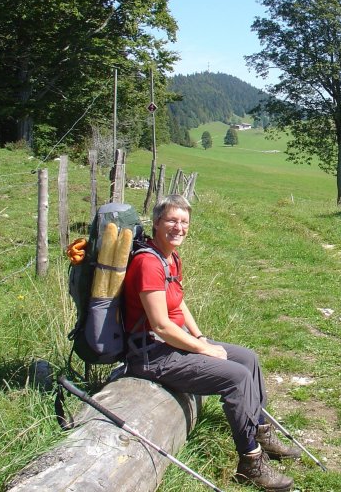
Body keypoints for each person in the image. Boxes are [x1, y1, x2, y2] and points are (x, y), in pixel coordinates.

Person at [123, 194, 300, 491]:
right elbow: (161, 325)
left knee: (248, 358)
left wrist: (200, 336)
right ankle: (250, 461)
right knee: (237, 378)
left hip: (172, 345)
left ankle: (260, 430)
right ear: (156, 223)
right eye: (171, 220)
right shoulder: (147, 263)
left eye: (184, 222)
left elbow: (178, 303)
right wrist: (204, 350)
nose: (179, 227)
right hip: (152, 354)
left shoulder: (169, 257)